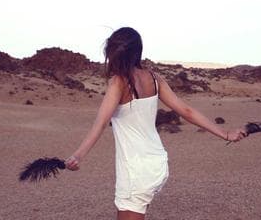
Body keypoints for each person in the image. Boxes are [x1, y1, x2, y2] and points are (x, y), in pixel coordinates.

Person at [65, 27, 247, 220]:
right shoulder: (154, 78)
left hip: (136, 170)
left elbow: (100, 124)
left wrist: (78, 156)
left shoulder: (118, 82)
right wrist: (225, 133)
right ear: (137, 51)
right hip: (157, 163)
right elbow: (186, 111)